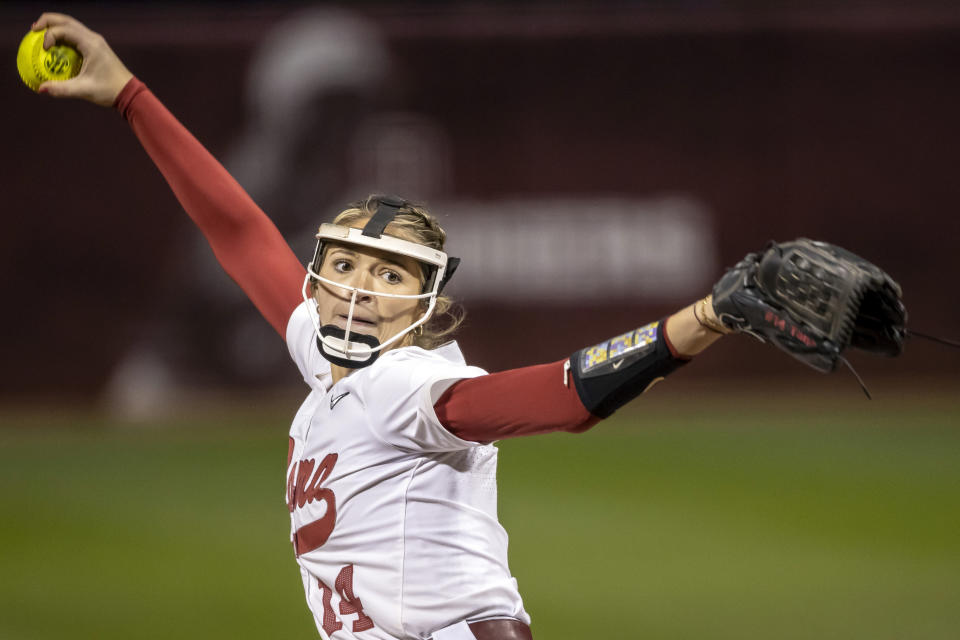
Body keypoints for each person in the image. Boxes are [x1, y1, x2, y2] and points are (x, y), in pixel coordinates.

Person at [32, 13, 730, 640]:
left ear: (421, 304)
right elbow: (238, 231)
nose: (362, 288)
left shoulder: (406, 383)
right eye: (346, 266)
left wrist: (699, 321)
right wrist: (127, 95)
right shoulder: (326, 358)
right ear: (318, 279)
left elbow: (564, 397)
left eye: (391, 275)